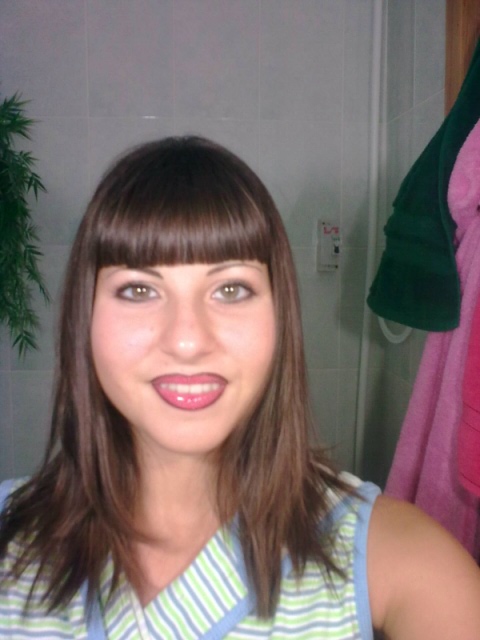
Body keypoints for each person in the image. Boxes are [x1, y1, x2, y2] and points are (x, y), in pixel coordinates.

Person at [0, 136, 479, 640]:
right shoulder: (13, 544)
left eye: (231, 289)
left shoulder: (398, 561)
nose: (187, 340)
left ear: (280, 316)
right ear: (85, 318)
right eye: (139, 290)